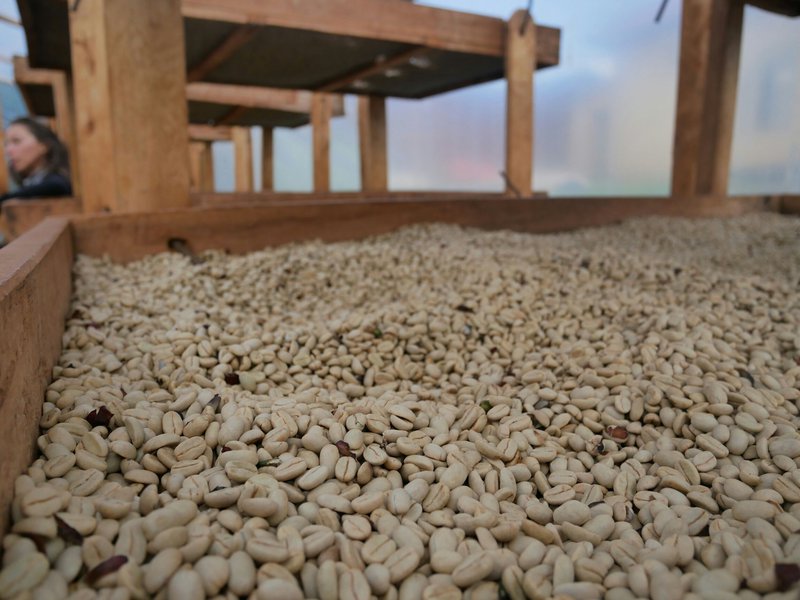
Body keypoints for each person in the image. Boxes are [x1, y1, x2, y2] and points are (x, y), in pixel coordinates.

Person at [1, 117, 72, 203]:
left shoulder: (58, 181)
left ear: (44, 146)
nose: (8, 150)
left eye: (17, 141)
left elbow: (56, 186)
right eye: (6, 144)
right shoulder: (31, 183)